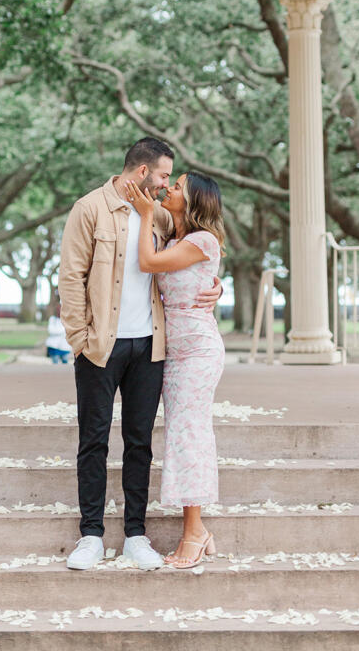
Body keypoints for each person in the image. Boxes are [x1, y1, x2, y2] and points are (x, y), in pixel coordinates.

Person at [58, 137, 221, 571]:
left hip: (151, 345)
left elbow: (200, 250)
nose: (169, 184)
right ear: (144, 171)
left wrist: (216, 288)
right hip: (101, 344)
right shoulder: (89, 208)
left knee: (139, 443)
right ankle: (91, 535)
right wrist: (79, 338)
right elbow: (70, 277)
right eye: (166, 175)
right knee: (93, 440)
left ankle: (135, 535)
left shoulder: (162, 216)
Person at [125, 171, 225, 569]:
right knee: (182, 433)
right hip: (172, 350)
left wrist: (145, 212)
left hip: (198, 350)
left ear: (196, 201)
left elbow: (147, 263)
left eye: (178, 186)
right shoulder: (177, 241)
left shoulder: (202, 240)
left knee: (189, 434)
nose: (169, 189)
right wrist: (220, 287)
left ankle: (195, 532)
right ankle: (198, 529)